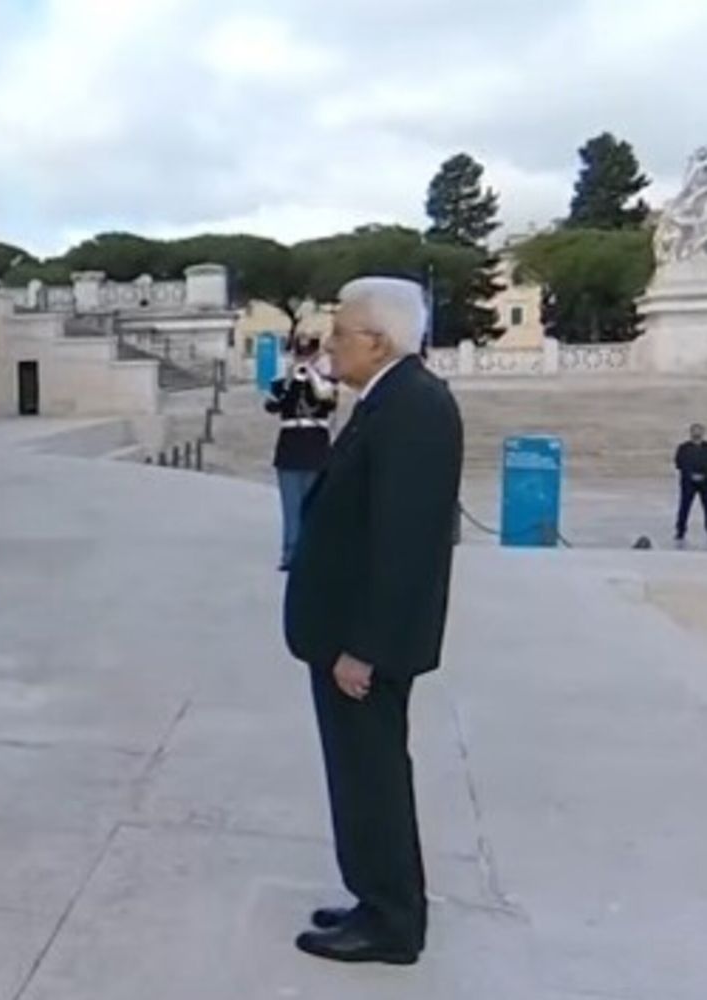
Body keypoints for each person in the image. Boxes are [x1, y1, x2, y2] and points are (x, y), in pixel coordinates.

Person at [283, 276, 464, 966]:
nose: (330, 343)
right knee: (361, 773)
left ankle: (391, 921)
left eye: (341, 332)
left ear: (378, 340)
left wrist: (366, 647)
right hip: (345, 633)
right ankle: (375, 895)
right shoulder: (386, 399)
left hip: (363, 644)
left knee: (373, 776)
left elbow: (406, 544)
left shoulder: (414, 407)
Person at [265, 333, 338, 570]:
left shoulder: (326, 380)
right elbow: (272, 405)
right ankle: (291, 553)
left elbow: (328, 402)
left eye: (308, 355)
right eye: (300, 354)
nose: (304, 359)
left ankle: (313, 553)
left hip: (316, 447)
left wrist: (313, 376)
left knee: (314, 506)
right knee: (291, 506)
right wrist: (291, 380)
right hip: (290, 447)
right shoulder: (283, 380)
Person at [674, 422, 707, 544]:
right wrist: (691, 475)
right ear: (691, 433)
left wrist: (703, 475)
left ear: (703, 433)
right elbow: (679, 463)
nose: (697, 433)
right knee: (684, 507)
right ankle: (680, 531)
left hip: (705, 483)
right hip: (688, 483)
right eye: (695, 430)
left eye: (699, 431)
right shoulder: (683, 448)